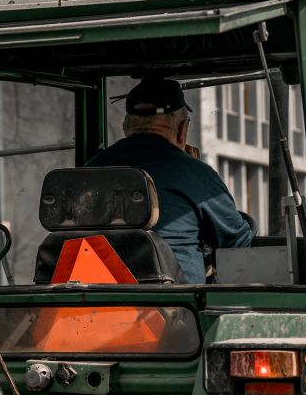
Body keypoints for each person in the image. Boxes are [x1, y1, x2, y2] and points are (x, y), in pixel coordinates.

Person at [86, 77, 253, 283]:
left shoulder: (90, 169)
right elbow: (238, 244)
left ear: (126, 126)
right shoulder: (197, 175)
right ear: (182, 129)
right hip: (177, 300)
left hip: (97, 294)